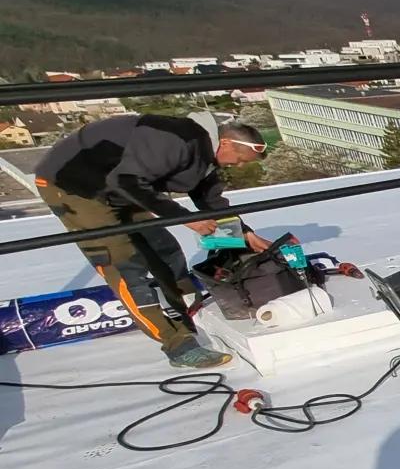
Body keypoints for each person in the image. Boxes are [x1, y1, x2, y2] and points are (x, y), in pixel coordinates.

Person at [34, 111, 274, 369]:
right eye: (238, 160)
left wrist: (244, 234)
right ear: (225, 143)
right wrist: (185, 218)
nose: (237, 166)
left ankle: (188, 311)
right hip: (75, 188)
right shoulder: (175, 140)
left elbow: (211, 202)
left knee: (164, 250)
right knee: (123, 263)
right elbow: (126, 180)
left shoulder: (208, 156)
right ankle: (177, 345)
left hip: (121, 188)